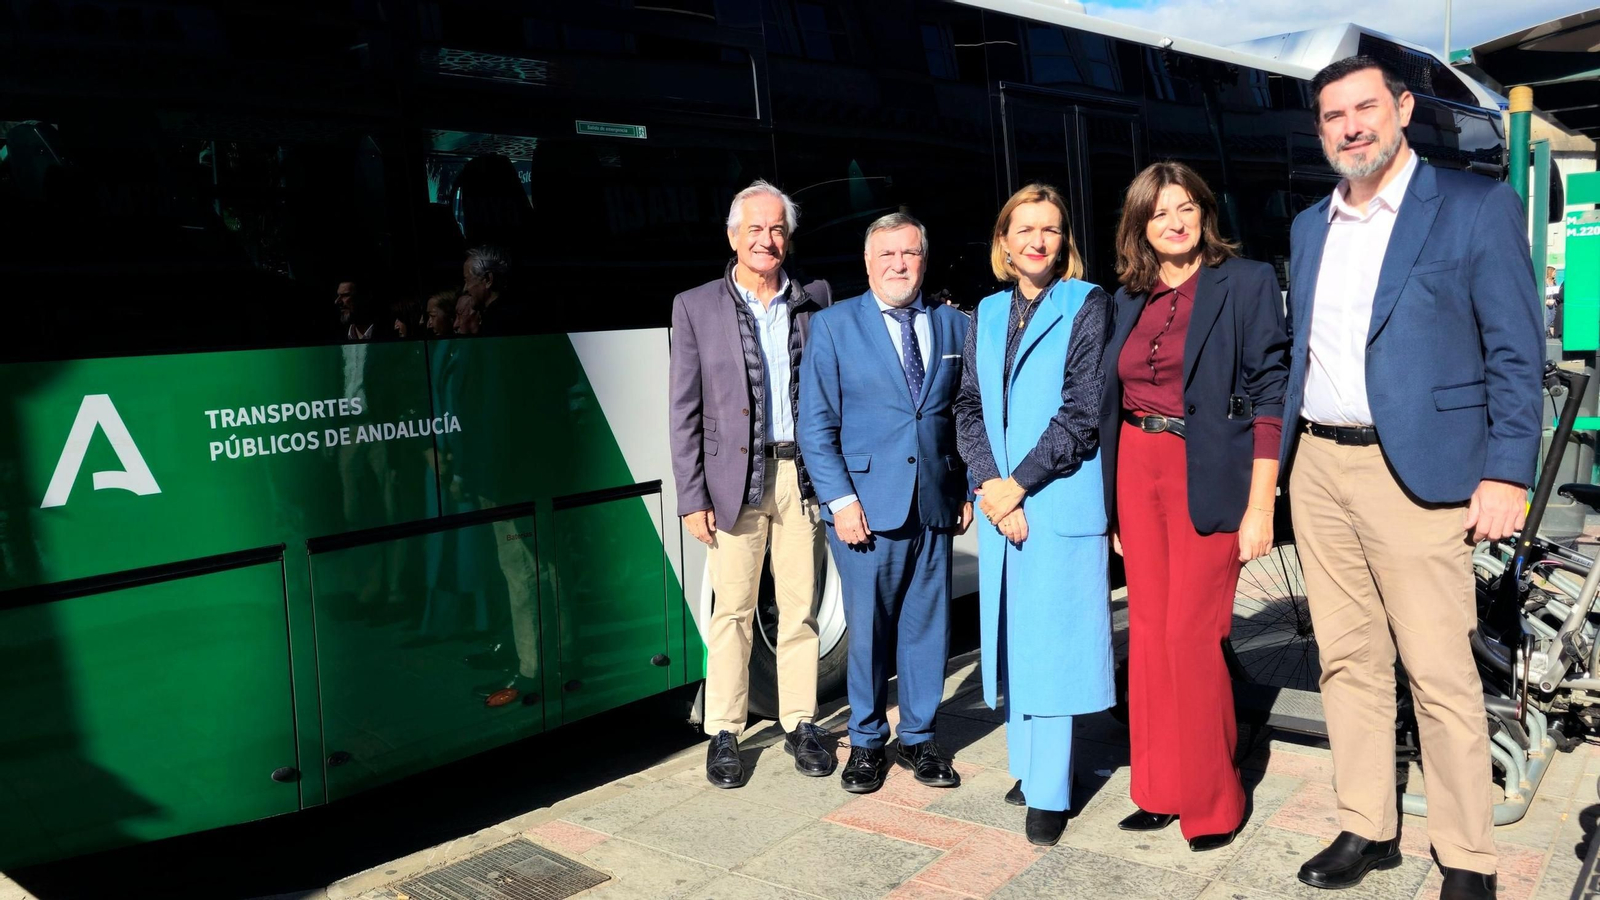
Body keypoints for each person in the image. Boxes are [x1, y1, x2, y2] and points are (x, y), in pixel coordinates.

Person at [1281, 57, 1543, 900]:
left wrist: (1508, 470)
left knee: (1440, 673)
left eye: (1365, 107)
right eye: (1333, 116)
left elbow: (1515, 350)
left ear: (1400, 110)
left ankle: (1467, 857)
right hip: (1319, 465)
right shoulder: (1308, 226)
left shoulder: (1473, 208)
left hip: (1421, 478)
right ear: (1320, 130)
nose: (1351, 126)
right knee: (1347, 661)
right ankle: (1368, 823)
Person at [1099, 162, 1289, 851]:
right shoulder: (1127, 296)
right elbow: (1109, 397)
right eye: (1159, 213)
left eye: (1185, 208)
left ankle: (1213, 799)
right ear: (1140, 226)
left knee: (1191, 635)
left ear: (1205, 212)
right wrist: (1112, 507)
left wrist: (1261, 502)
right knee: (1147, 637)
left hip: (1208, 471)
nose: (1174, 222)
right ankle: (1159, 787)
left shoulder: (1246, 282)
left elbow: (1272, 389)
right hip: (1135, 470)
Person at [953, 183, 1113, 846]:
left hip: (1054, 498)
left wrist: (1015, 487)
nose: (1037, 241)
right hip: (1004, 503)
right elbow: (966, 408)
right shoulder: (987, 311)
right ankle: (1027, 767)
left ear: (1063, 241)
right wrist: (990, 488)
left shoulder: (1087, 303)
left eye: (1049, 229)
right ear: (1004, 241)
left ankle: (1050, 790)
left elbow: (1081, 414)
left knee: (1050, 644)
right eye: (1025, 229)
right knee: (1013, 637)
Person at [798, 213, 974, 794]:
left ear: (924, 258)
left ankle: (919, 738)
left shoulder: (952, 325)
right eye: (887, 256)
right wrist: (841, 502)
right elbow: (816, 426)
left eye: (910, 254)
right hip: (866, 509)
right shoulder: (833, 326)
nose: (899, 265)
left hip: (933, 502)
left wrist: (966, 485)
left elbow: (963, 414)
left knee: (929, 627)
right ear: (868, 264)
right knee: (869, 631)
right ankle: (868, 741)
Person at [668, 180, 832, 787]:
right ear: (733, 236)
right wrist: (692, 496)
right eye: (755, 229)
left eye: (777, 229)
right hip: (733, 479)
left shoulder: (814, 298)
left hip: (800, 474)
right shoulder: (695, 306)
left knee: (800, 608)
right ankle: (726, 731)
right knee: (732, 610)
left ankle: (800, 721)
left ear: (787, 238)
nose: (767, 240)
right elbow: (683, 410)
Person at [1546, 266, 1563, 339]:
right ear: (1550, 272)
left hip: (1554, 303)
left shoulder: (1554, 282)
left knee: (1553, 318)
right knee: (1548, 318)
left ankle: (1550, 332)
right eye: (1554, 272)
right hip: (1547, 303)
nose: (1555, 274)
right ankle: (1547, 332)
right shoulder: (1544, 282)